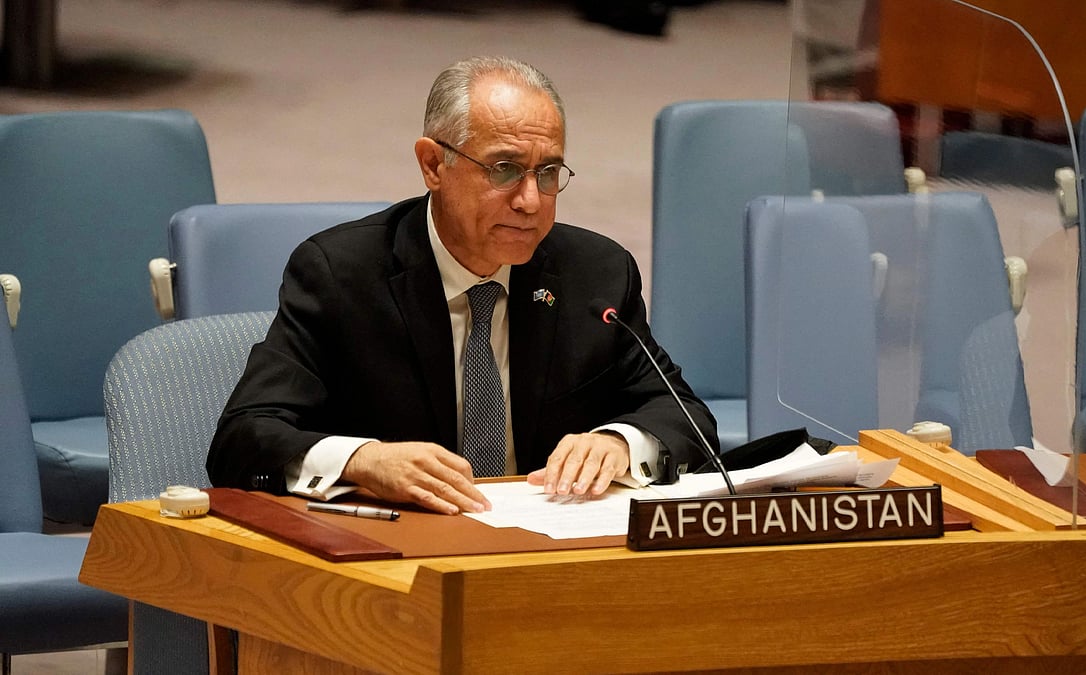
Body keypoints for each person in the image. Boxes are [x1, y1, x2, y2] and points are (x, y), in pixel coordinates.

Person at [207, 56, 717, 516]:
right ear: (433, 164)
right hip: (403, 558)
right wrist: (363, 460)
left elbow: (686, 418)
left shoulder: (597, 273)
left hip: (549, 553)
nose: (531, 202)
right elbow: (243, 438)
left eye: (548, 172)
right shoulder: (341, 275)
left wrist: (621, 442)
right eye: (505, 170)